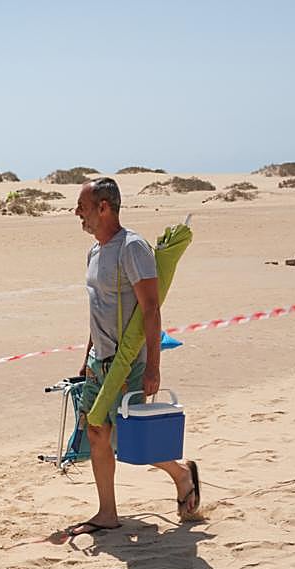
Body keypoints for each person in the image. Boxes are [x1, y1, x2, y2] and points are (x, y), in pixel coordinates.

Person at [67, 177, 200, 535]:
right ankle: (107, 513)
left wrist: (154, 366)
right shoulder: (94, 252)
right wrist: (88, 355)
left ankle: (182, 473)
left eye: (83, 206)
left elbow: (151, 309)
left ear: (104, 207)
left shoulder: (133, 247)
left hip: (129, 363)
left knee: (127, 440)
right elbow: (101, 307)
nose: (77, 212)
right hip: (100, 362)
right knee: (97, 432)